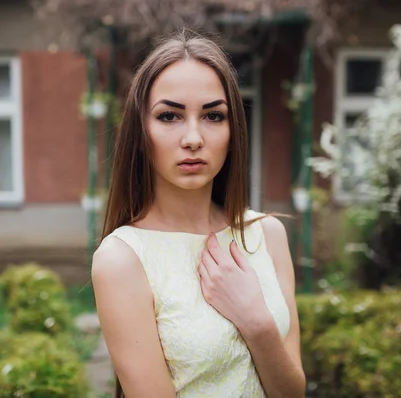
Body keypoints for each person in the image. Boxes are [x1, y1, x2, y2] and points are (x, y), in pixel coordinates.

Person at [91, 30, 305, 398]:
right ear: (141, 132)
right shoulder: (122, 259)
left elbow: (292, 393)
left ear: (232, 129)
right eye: (170, 116)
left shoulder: (267, 235)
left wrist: (256, 322)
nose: (193, 137)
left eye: (213, 116)